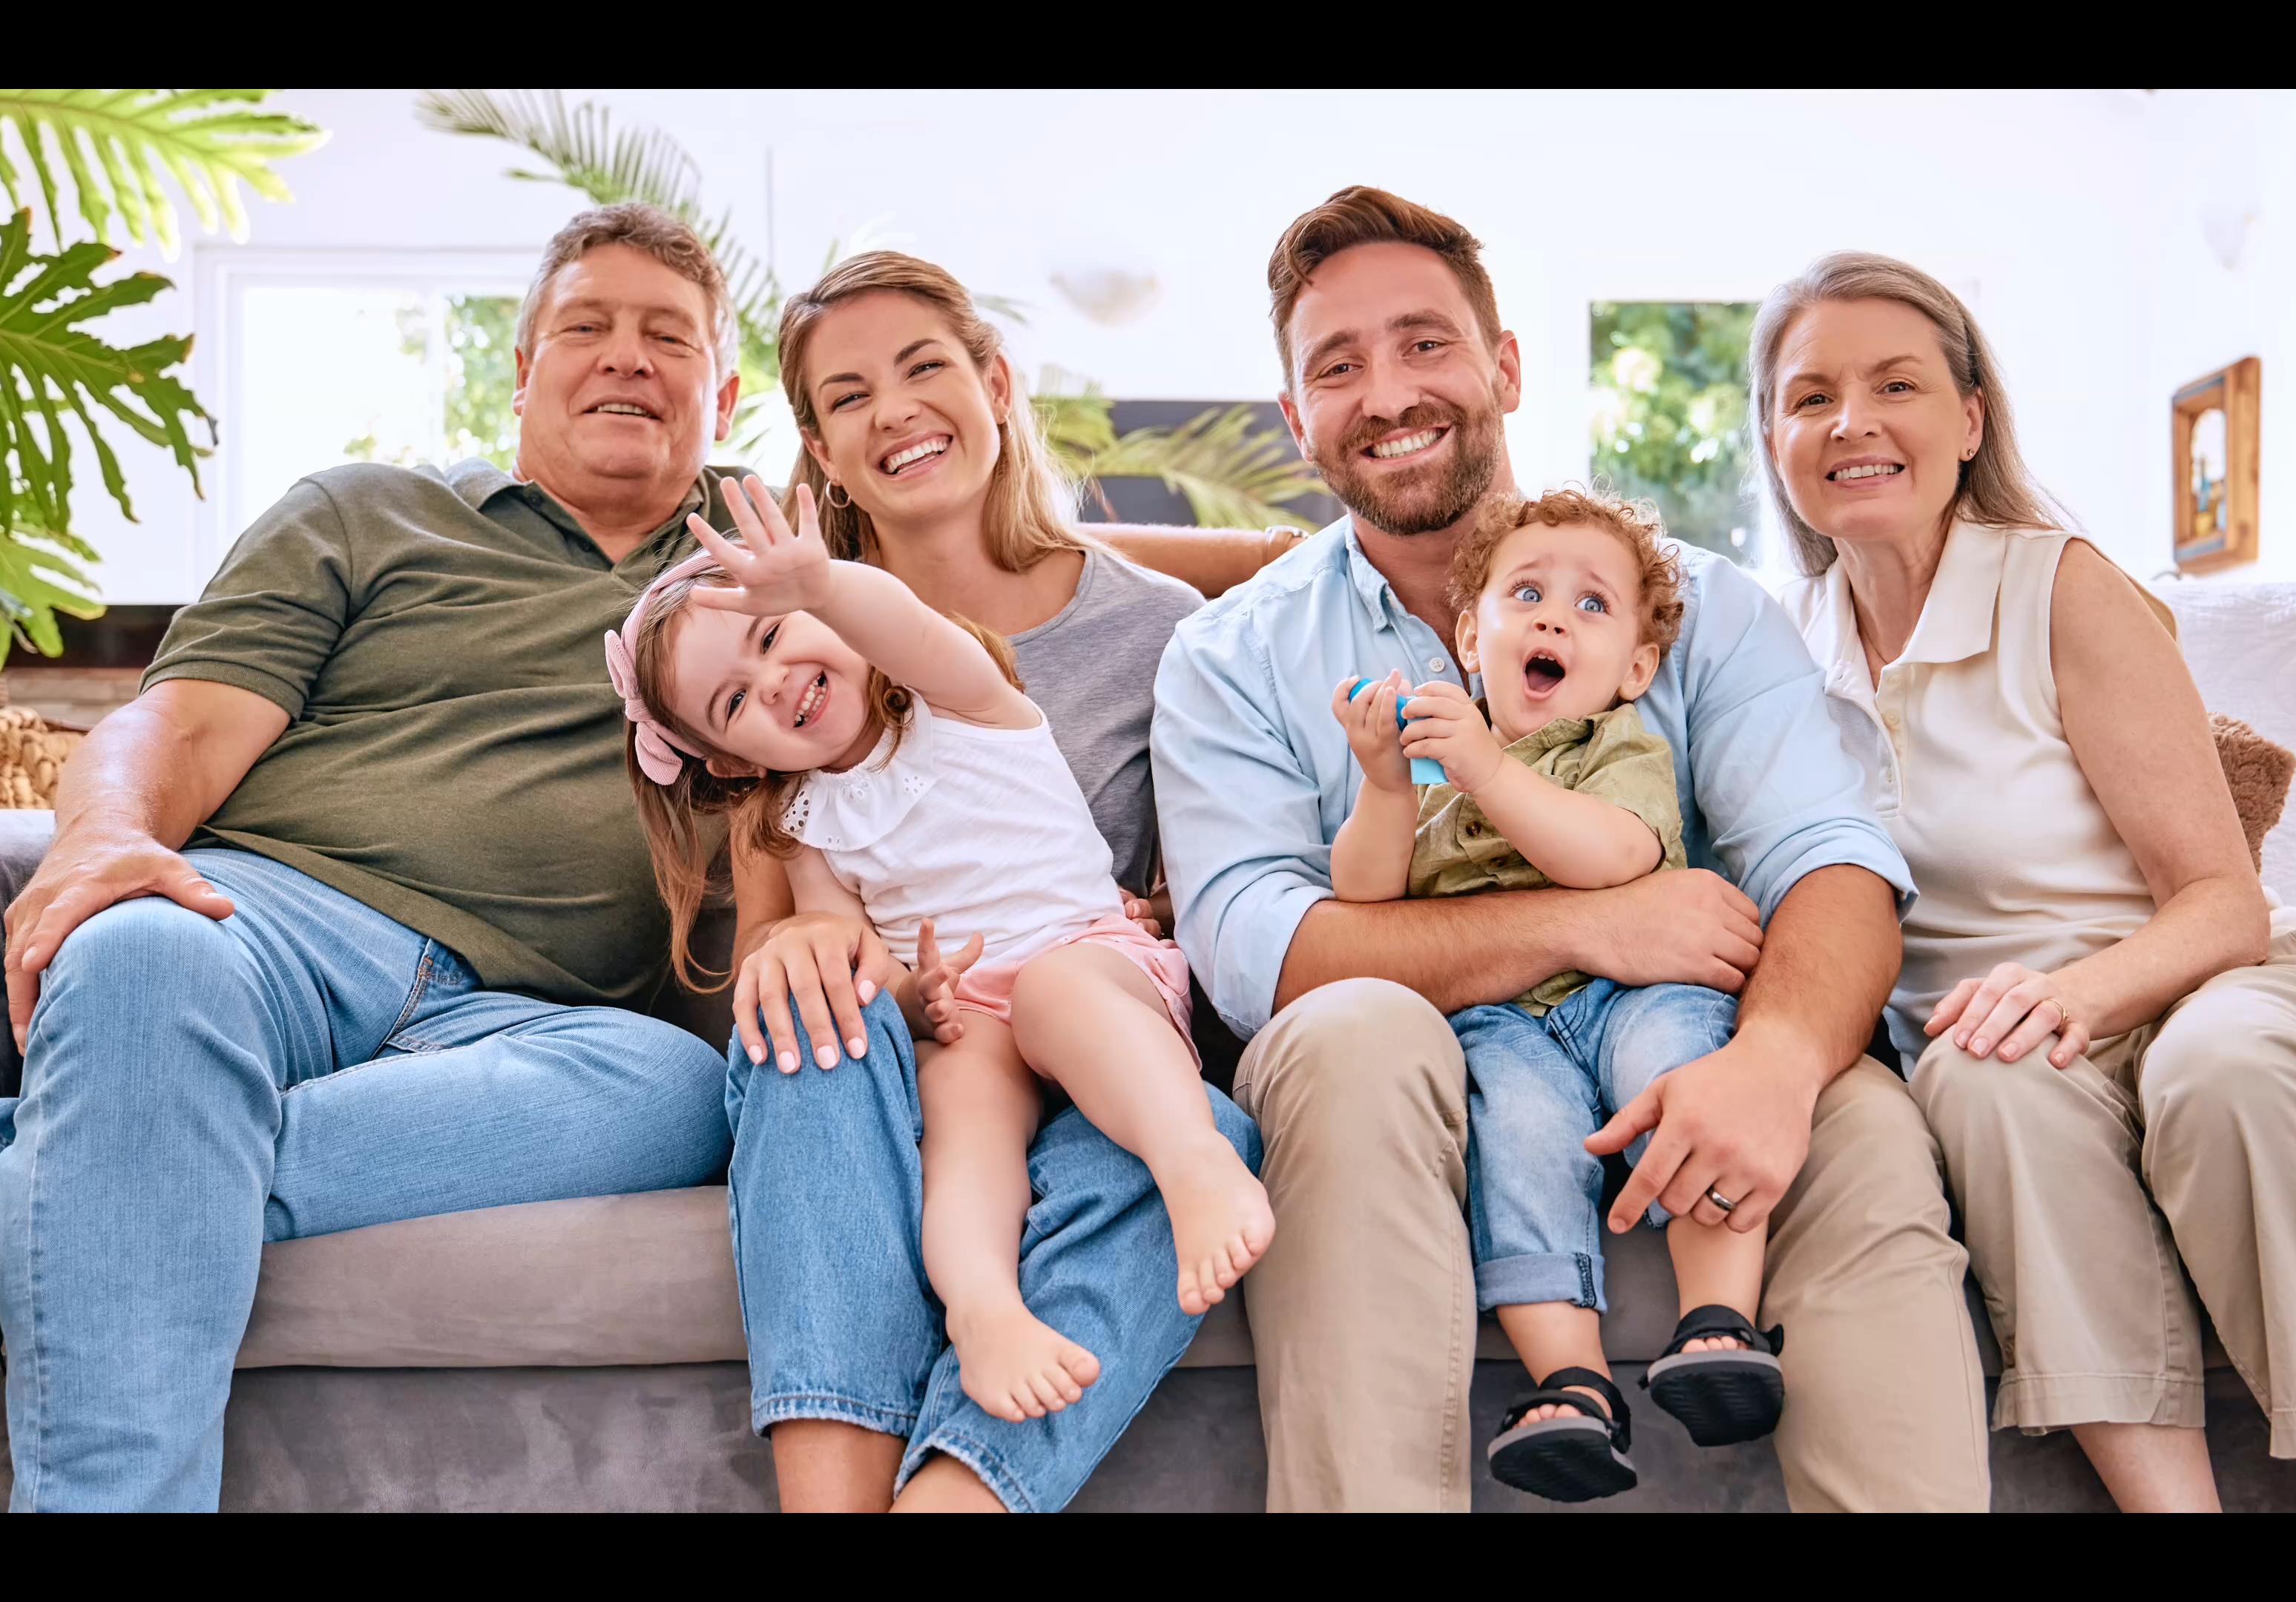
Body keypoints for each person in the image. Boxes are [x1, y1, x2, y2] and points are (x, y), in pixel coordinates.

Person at [0, 205, 757, 1509]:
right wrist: (109, 838)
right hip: (275, 926)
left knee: (682, 1097)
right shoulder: (368, 513)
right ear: (522, 371)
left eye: (668, 337)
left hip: (550, 1017)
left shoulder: (772, 582)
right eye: (588, 325)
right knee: (135, 951)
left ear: (725, 394)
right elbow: (175, 724)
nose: (627, 357)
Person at [1151, 186, 1991, 1512]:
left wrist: (1771, 1065)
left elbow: (1829, 862)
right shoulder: (1232, 657)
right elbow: (1266, 957)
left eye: (1426, 342)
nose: (1388, 392)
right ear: (1294, 419)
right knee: (1349, 1034)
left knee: (1859, 1124)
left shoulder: (1702, 606)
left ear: (1506, 367)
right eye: (1338, 366)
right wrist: (1582, 923)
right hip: (1419, 1076)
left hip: (1681, 1038)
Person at [1756, 251, 2296, 1513]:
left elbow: (2220, 900)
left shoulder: (2060, 585)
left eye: (1896, 384)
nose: (1852, 423)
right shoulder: (1783, 651)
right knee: (1982, 1075)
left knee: (2214, 1074)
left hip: (2226, 990)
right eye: (1809, 396)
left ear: (1968, 419)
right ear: (1777, 439)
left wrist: (2076, 996)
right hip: (2013, 1047)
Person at [708, 252, 1266, 1513]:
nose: (895, 410)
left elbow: (1212, 876)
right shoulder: (788, 671)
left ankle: (963, 1491)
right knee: (815, 1033)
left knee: (1202, 1127)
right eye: (849, 397)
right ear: (821, 453)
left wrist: (1156, 912)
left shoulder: (1157, 627)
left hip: (1085, 1008)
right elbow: (778, 924)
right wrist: (805, 949)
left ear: (995, 382)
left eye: (924, 368)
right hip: (927, 1037)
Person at [614, 474, 1272, 1421]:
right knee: (962, 1116)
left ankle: (1194, 1164)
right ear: (733, 761)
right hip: (976, 1011)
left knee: (1055, 993)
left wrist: (822, 585)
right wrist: (919, 1000)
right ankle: (984, 1311)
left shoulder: (959, 697)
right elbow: (862, 966)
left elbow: (904, 627)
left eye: (773, 635)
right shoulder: (805, 826)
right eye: (736, 701)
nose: (778, 682)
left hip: (1089, 958)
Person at [1328, 487, 1777, 1503]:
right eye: (1524, 595)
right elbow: (1364, 899)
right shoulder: (1444, 791)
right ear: (1469, 640)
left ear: (1637, 667)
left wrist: (1484, 765)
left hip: (1635, 992)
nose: (1550, 619)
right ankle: (1571, 1386)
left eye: (1589, 607)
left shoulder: (1617, 749)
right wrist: (1388, 787)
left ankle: (1720, 1321)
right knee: (1519, 1140)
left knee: (1687, 1078)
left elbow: (1613, 856)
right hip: (1505, 1025)